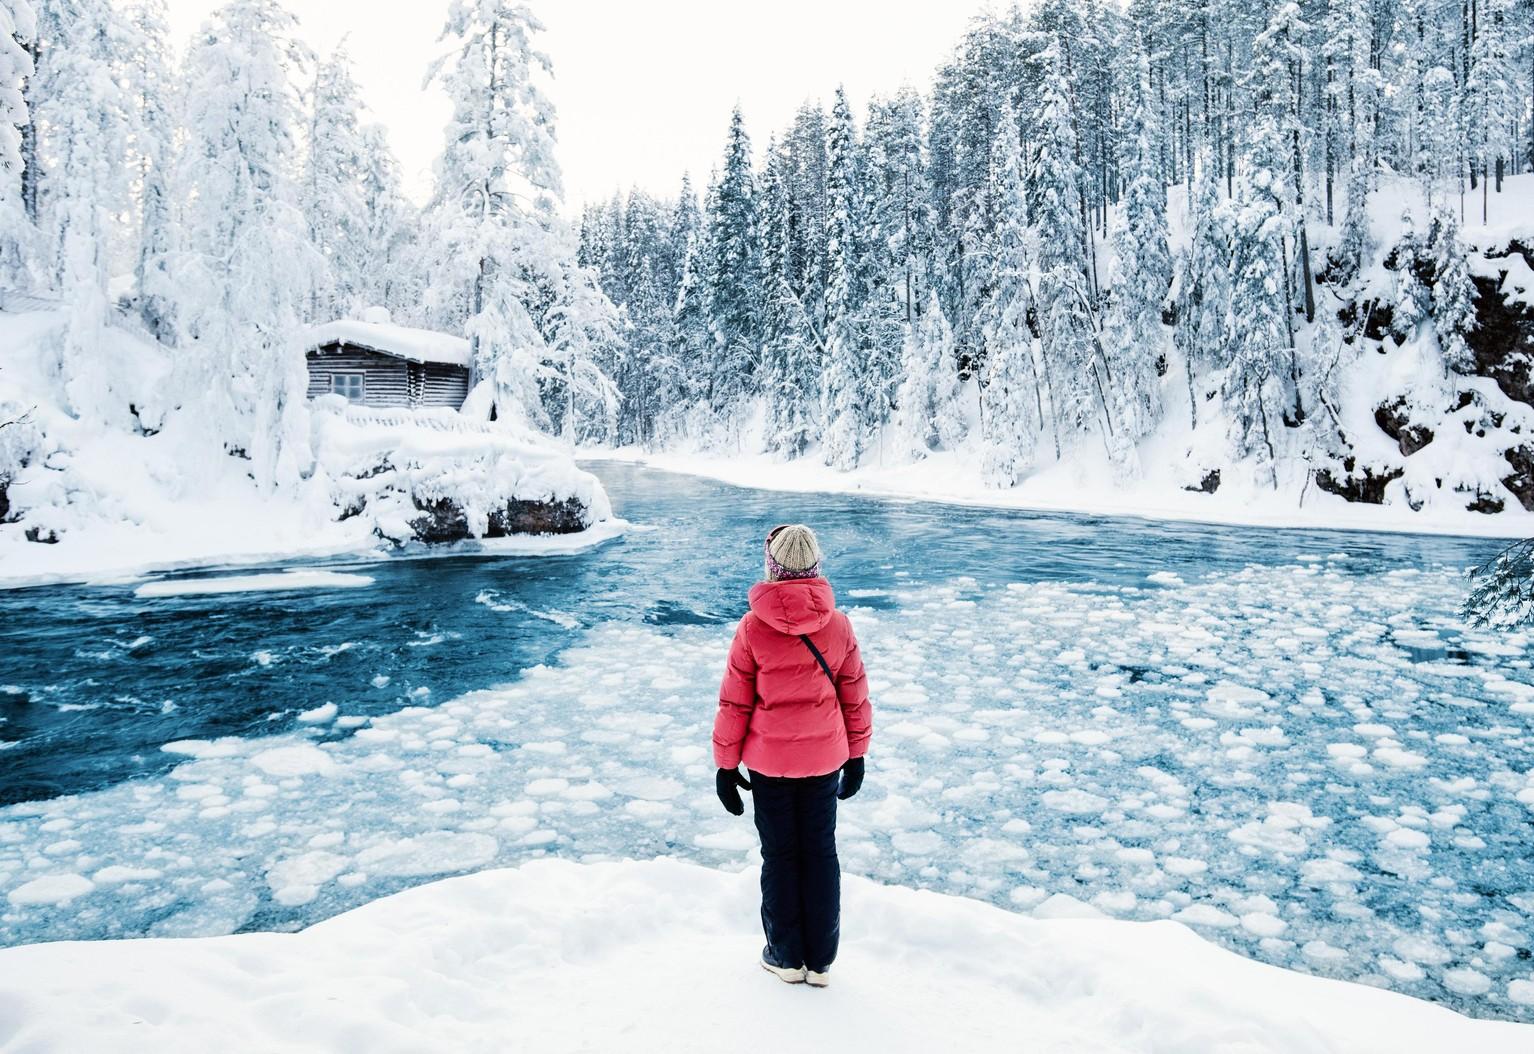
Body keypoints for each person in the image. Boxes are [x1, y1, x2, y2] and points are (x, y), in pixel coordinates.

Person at [712, 523, 872, 989]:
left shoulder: (751, 627)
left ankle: (785, 956)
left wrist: (725, 766)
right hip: (824, 760)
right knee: (820, 853)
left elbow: (735, 702)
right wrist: (857, 754)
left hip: (770, 766)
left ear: (773, 568)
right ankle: (820, 962)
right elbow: (854, 696)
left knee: (780, 856)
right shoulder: (838, 625)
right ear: (815, 567)